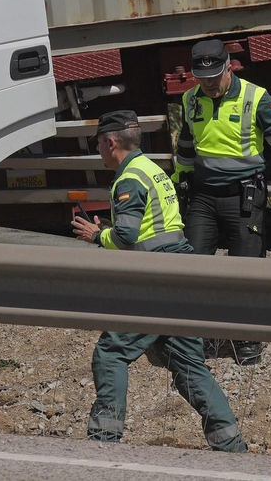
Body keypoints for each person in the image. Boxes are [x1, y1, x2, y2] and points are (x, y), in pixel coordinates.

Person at [71, 110, 247, 454]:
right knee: (187, 364)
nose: (99, 151)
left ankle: (104, 444)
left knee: (110, 353)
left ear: (110, 143)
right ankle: (231, 447)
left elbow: (125, 236)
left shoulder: (130, 178)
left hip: (157, 280)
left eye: (98, 145)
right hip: (180, 273)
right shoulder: (152, 170)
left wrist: (96, 234)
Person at [175, 38, 271, 365]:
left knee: (245, 269)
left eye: (215, 77)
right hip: (203, 195)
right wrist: (181, 181)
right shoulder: (190, 99)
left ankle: (246, 338)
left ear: (229, 67)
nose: (209, 85)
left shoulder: (255, 97)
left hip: (243, 194)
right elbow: (186, 147)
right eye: (202, 79)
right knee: (194, 266)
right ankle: (202, 337)